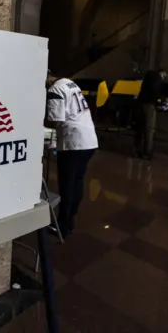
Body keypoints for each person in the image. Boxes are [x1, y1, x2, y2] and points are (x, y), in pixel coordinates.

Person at [45, 71, 98, 238]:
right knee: (77, 182)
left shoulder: (54, 89)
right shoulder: (70, 83)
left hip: (72, 143)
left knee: (66, 186)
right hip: (89, 140)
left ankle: (61, 226)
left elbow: (55, 119)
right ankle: (70, 220)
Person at [133, 68, 167, 159]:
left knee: (139, 128)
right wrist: (162, 99)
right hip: (149, 105)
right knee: (149, 129)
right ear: (162, 73)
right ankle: (147, 153)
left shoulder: (148, 75)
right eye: (164, 75)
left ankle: (137, 150)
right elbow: (154, 91)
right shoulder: (157, 78)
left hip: (140, 102)